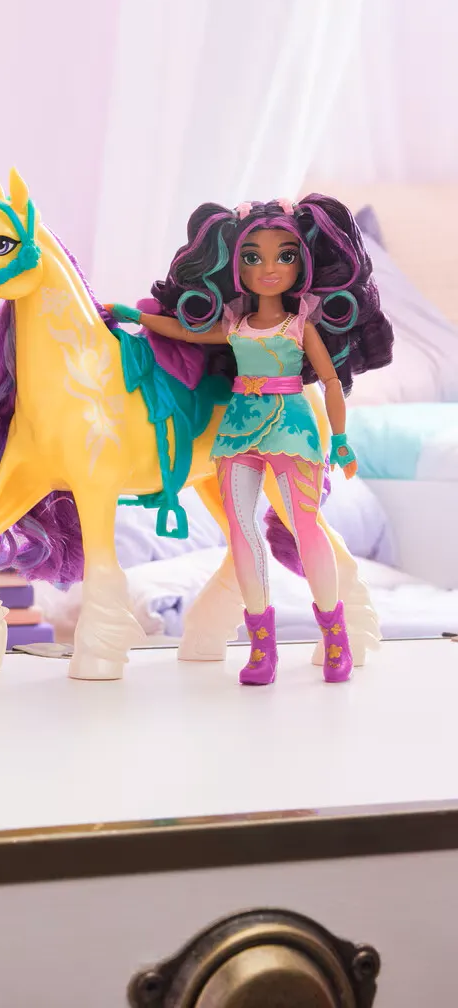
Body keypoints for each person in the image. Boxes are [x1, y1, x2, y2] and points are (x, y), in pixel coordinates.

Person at [106, 196, 393, 685]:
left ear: (301, 264)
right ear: (236, 267)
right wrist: (134, 315)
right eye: (253, 257)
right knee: (240, 531)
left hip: (292, 424)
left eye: (285, 255)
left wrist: (341, 438)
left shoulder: (301, 322)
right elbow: (187, 333)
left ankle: (336, 637)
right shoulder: (234, 322)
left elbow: (328, 381)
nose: (269, 268)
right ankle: (262, 647)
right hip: (239, 425)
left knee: (306, 527)